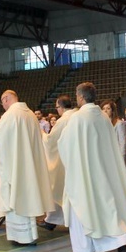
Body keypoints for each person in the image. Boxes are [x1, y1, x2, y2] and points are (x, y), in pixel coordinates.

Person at [58, 82, 126, 252]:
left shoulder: (78, 118)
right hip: (106, 170)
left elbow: (64, 144)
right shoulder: (103, 116)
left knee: (82, 208)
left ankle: (84, 250)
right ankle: (120, 240)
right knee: (109, 205)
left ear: (80, 97)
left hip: (86, 172)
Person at [0, 90, 54, 246]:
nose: (3, 106)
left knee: (18, 200)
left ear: (6, 99)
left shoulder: (10, 115)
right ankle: (30, 235)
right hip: (29, 165)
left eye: (2, 102)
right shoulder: (30, 114)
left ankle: (22, 237)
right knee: (27, 198)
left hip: (16, 167)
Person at [41, 95, 78, 230]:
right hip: (75, 159)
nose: (57, 110)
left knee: (57, 187)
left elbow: (51, 141)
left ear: (61, 107)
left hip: (64, 161)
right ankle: (52, 219)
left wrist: (42, 134)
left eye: (57, 107)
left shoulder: (63, 120)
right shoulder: (77, 115)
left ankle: (55, 220)